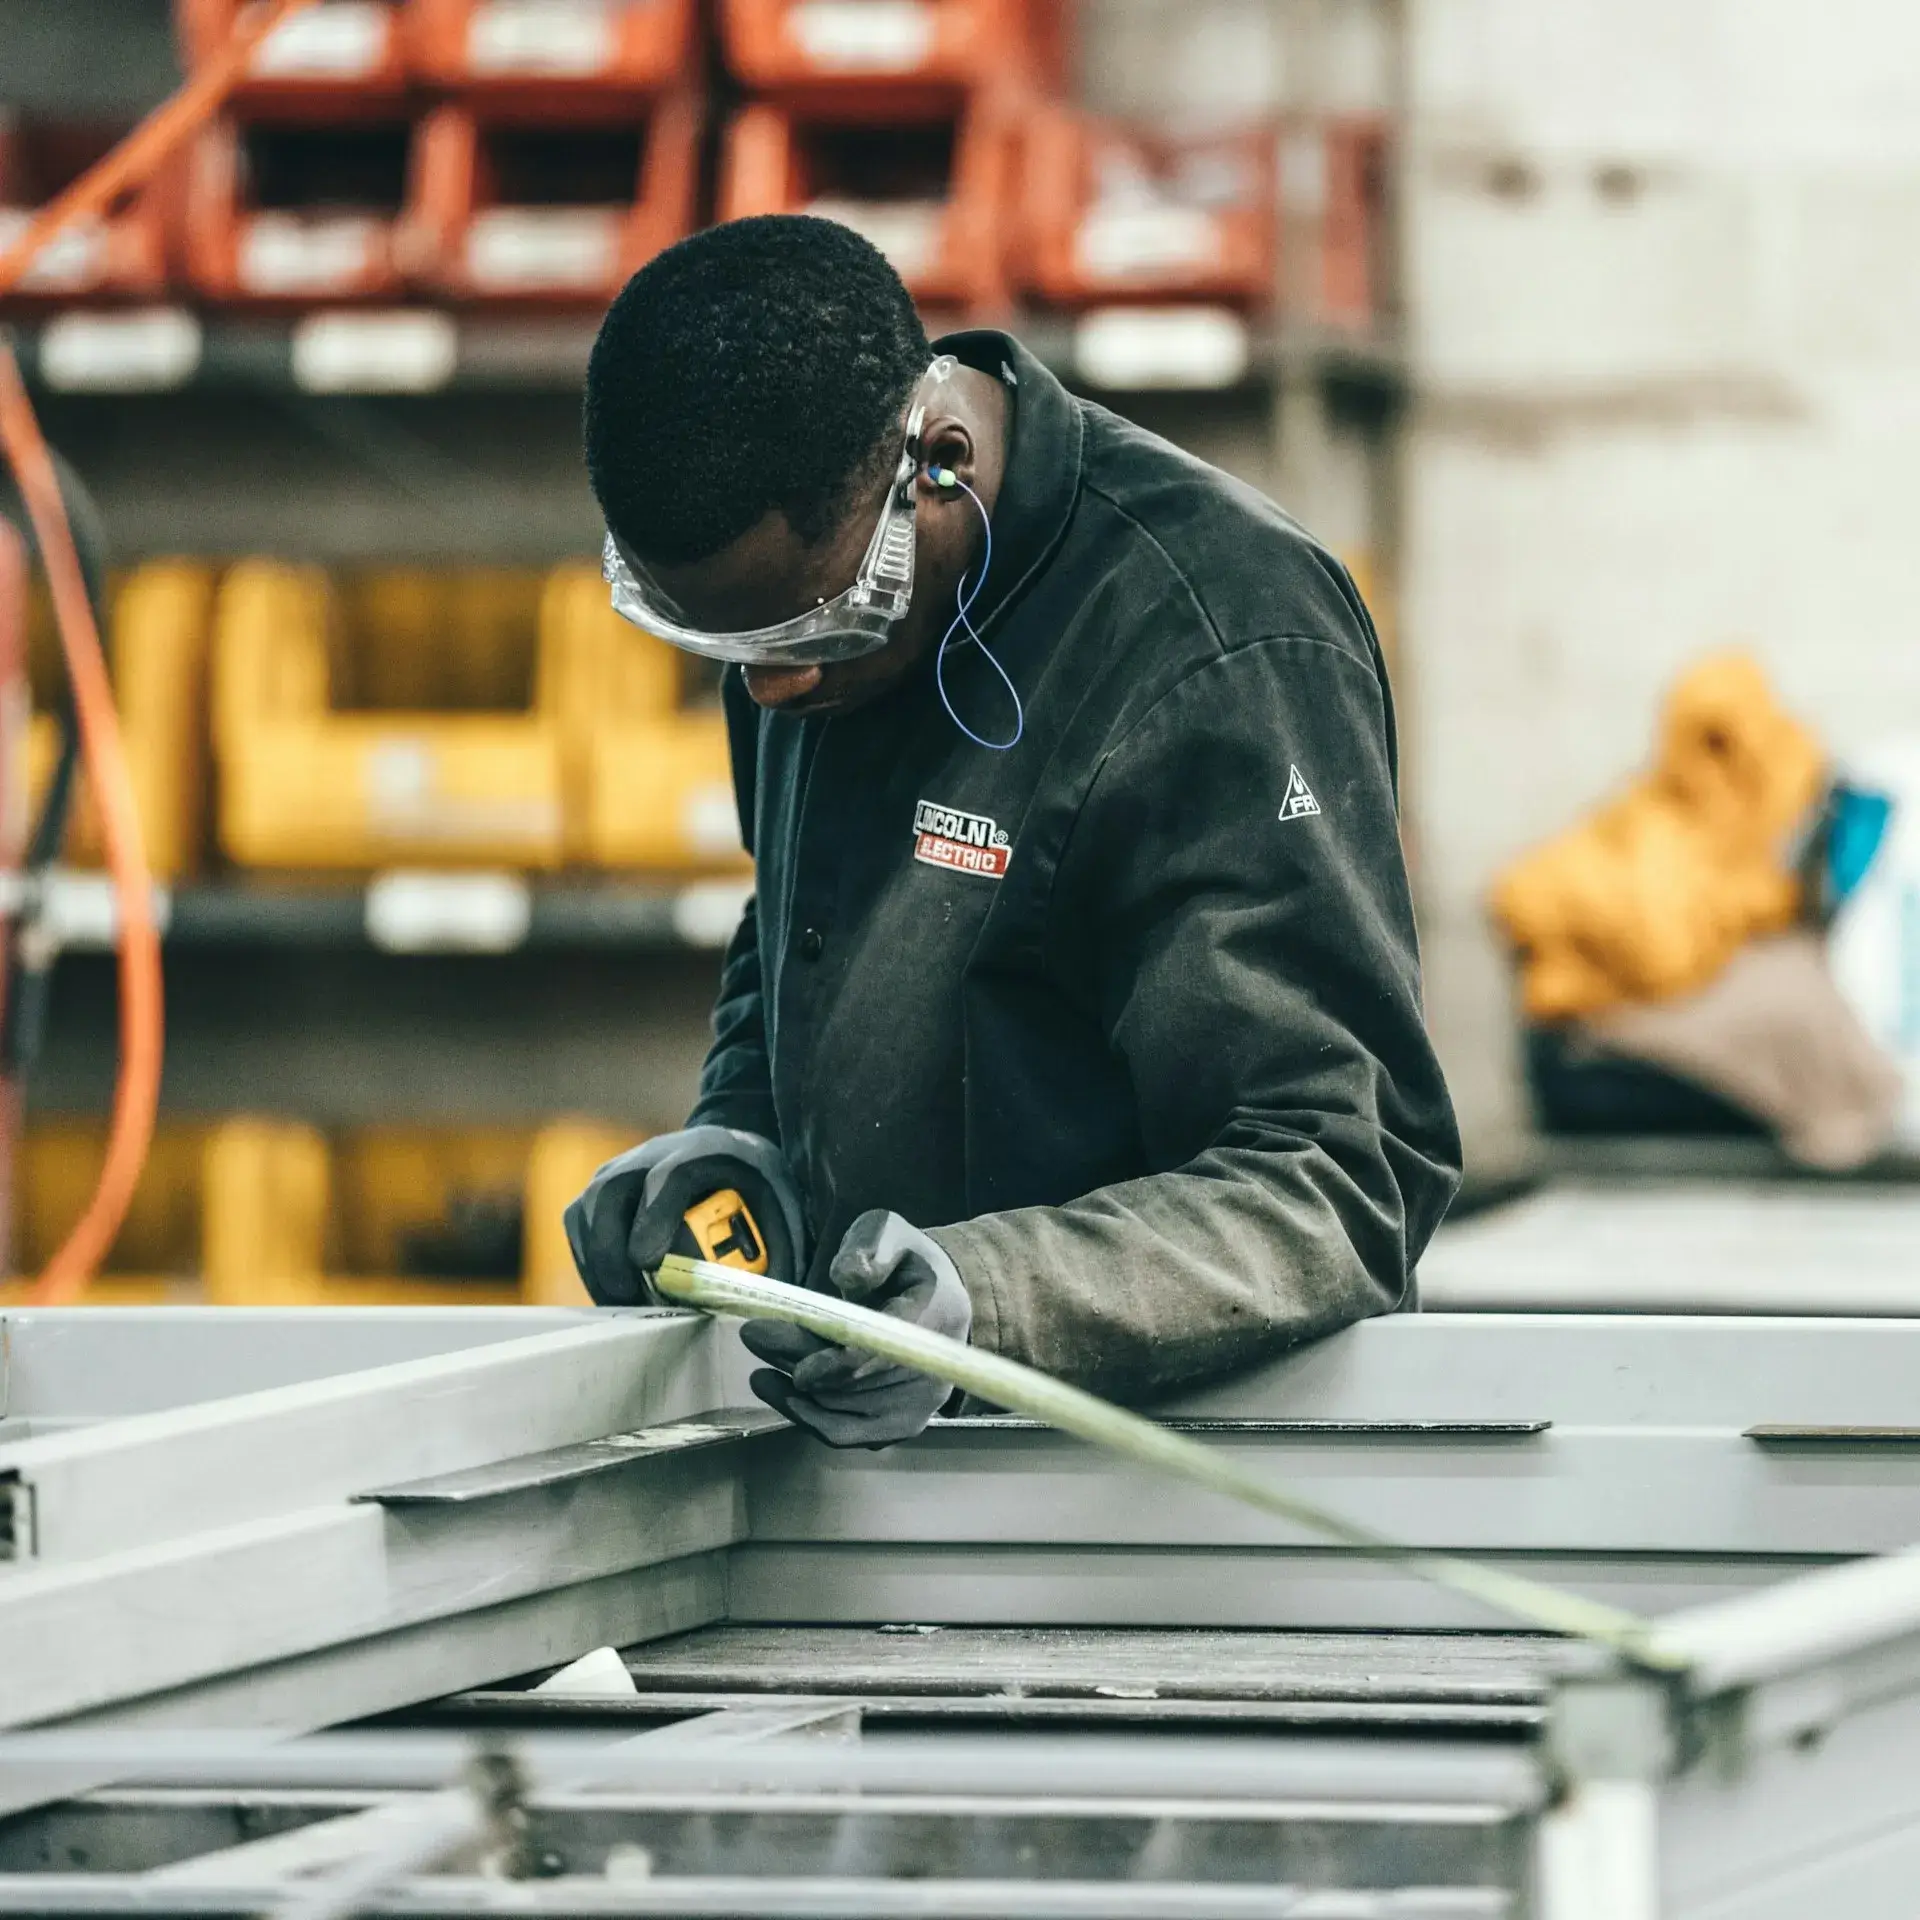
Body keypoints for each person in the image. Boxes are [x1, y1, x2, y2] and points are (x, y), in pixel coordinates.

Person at [565, 213, 1461, 1447]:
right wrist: (743, 1144)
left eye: (814, 637)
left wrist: (996, 1305)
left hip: (1165, 1506)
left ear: (935, 461)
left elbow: (1336, 1182)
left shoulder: (1218, 642)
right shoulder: (806, 607)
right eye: (737, 653)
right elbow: (803, 920)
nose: (773, 694)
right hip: (892, 1483)